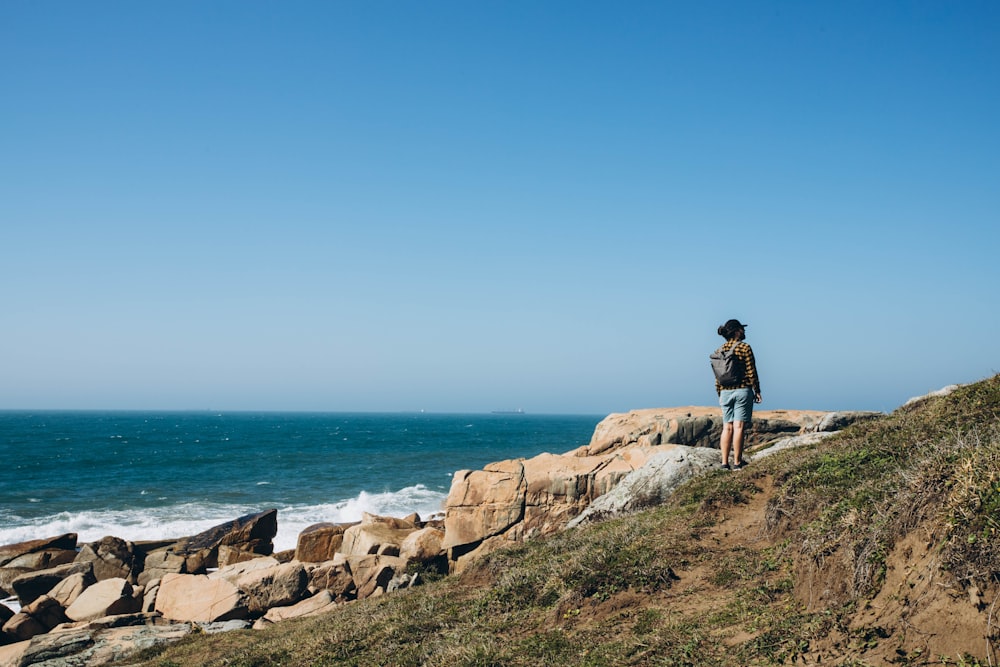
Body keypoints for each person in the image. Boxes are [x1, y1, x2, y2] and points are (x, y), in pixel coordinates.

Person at [714, 319, 762, 470]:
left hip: (724, 392)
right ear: (736, 331)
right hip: (742, 390)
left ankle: (724, 463)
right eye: (742, 329)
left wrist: (719, 393)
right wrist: (757, 390)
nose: (744, 331)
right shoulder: (744, 347)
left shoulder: (719, 350)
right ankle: (737, 463)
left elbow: (718, 375)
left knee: (726, 427)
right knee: (739, 426)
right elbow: (751, 371)